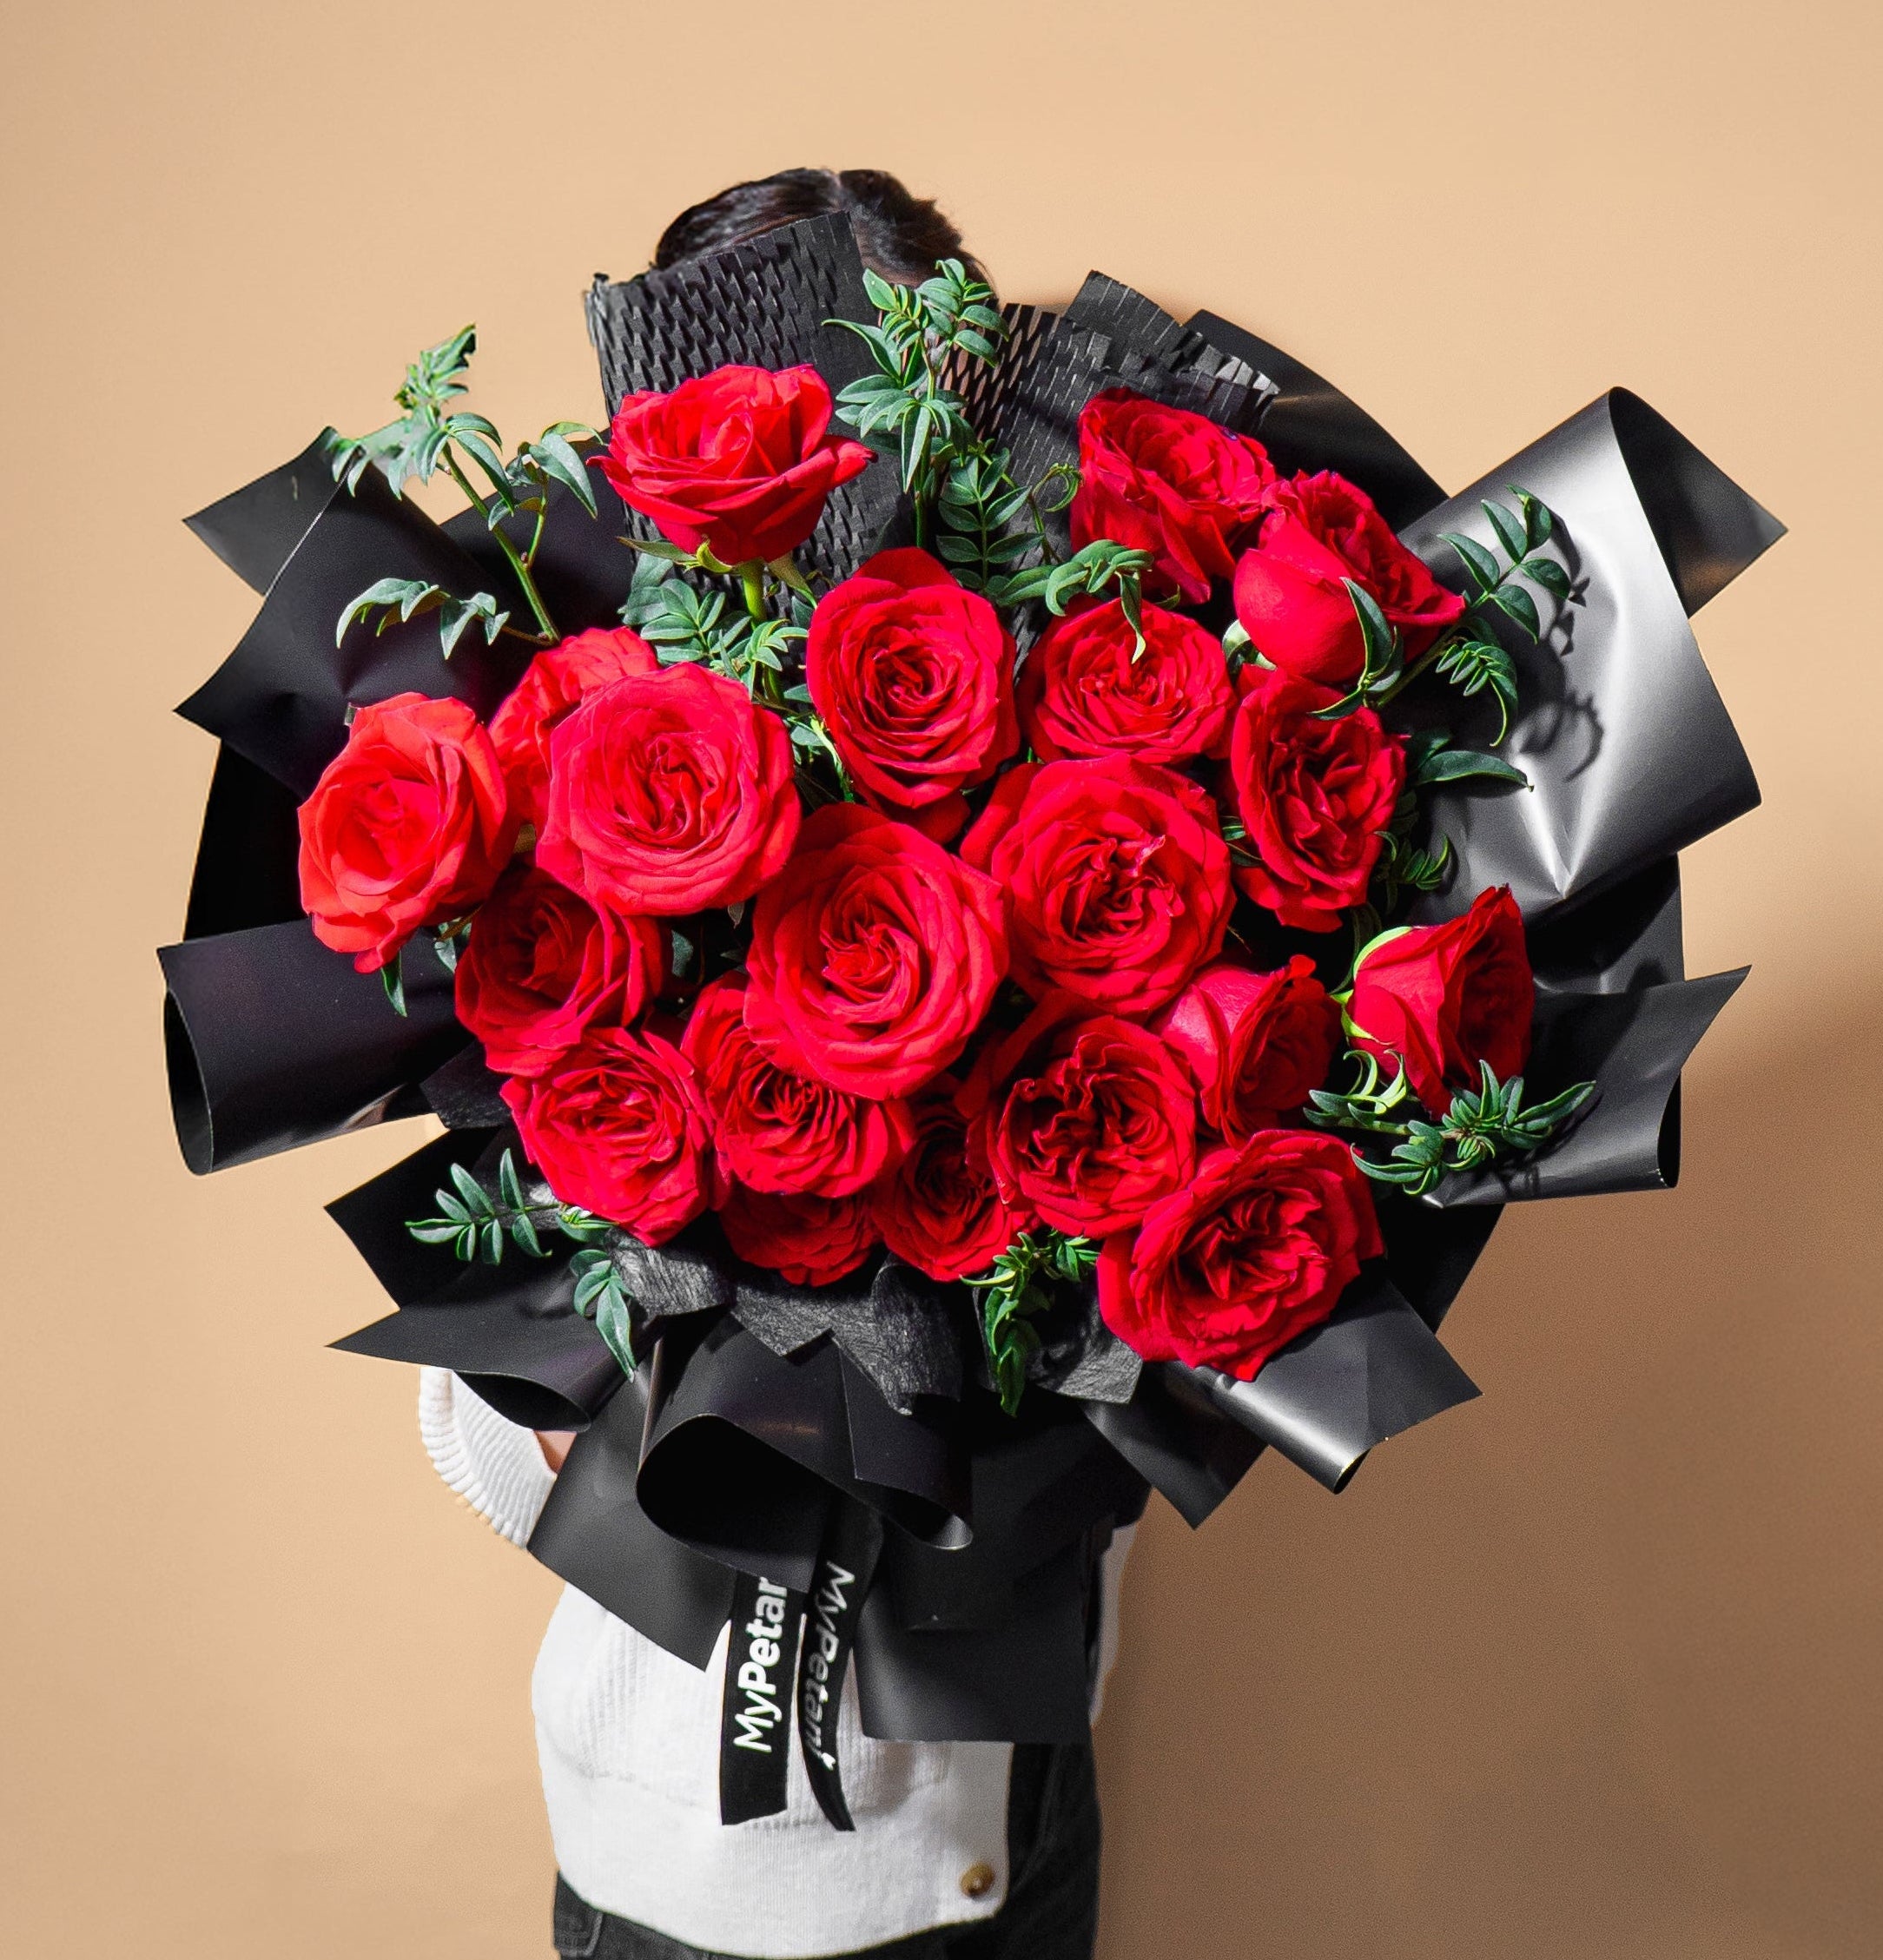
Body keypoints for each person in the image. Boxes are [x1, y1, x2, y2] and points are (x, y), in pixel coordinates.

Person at [420, 169, 1133, 1960]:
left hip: (1023, 1804)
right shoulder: (560, 837)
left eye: (908, 398)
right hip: (715, 1883)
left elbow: (1124, 1439)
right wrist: (698, 1288)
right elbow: (494, 1453)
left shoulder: (1055, 778)